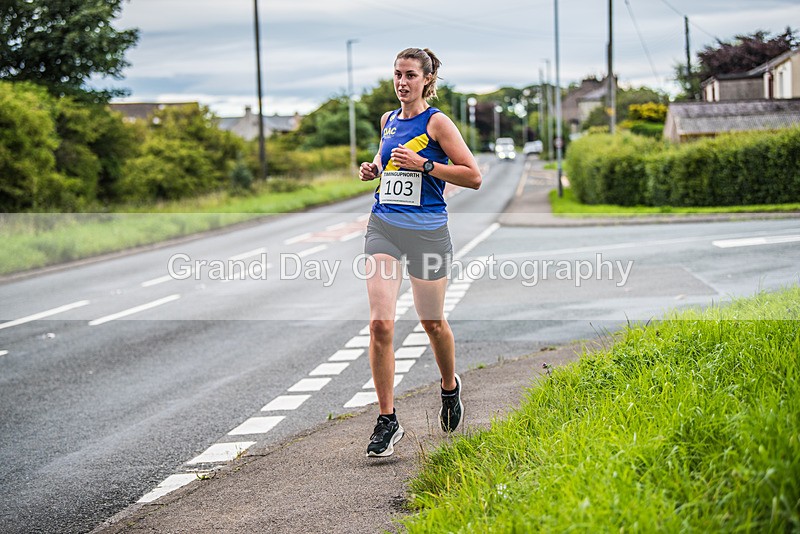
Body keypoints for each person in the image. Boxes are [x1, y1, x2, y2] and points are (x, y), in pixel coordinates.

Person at [358, 47, 482, 457]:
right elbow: (386, 156)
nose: (401, 82)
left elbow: (473, 177)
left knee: (432, 322)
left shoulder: (438, 123)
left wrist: (424, 166)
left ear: (427, 80)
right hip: (385, 226)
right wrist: (374, 168)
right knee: (380, 324)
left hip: (428, 233)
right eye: (397, 74)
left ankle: (449, 387)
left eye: (410, 75)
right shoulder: (388, 120)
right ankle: (387, 420)